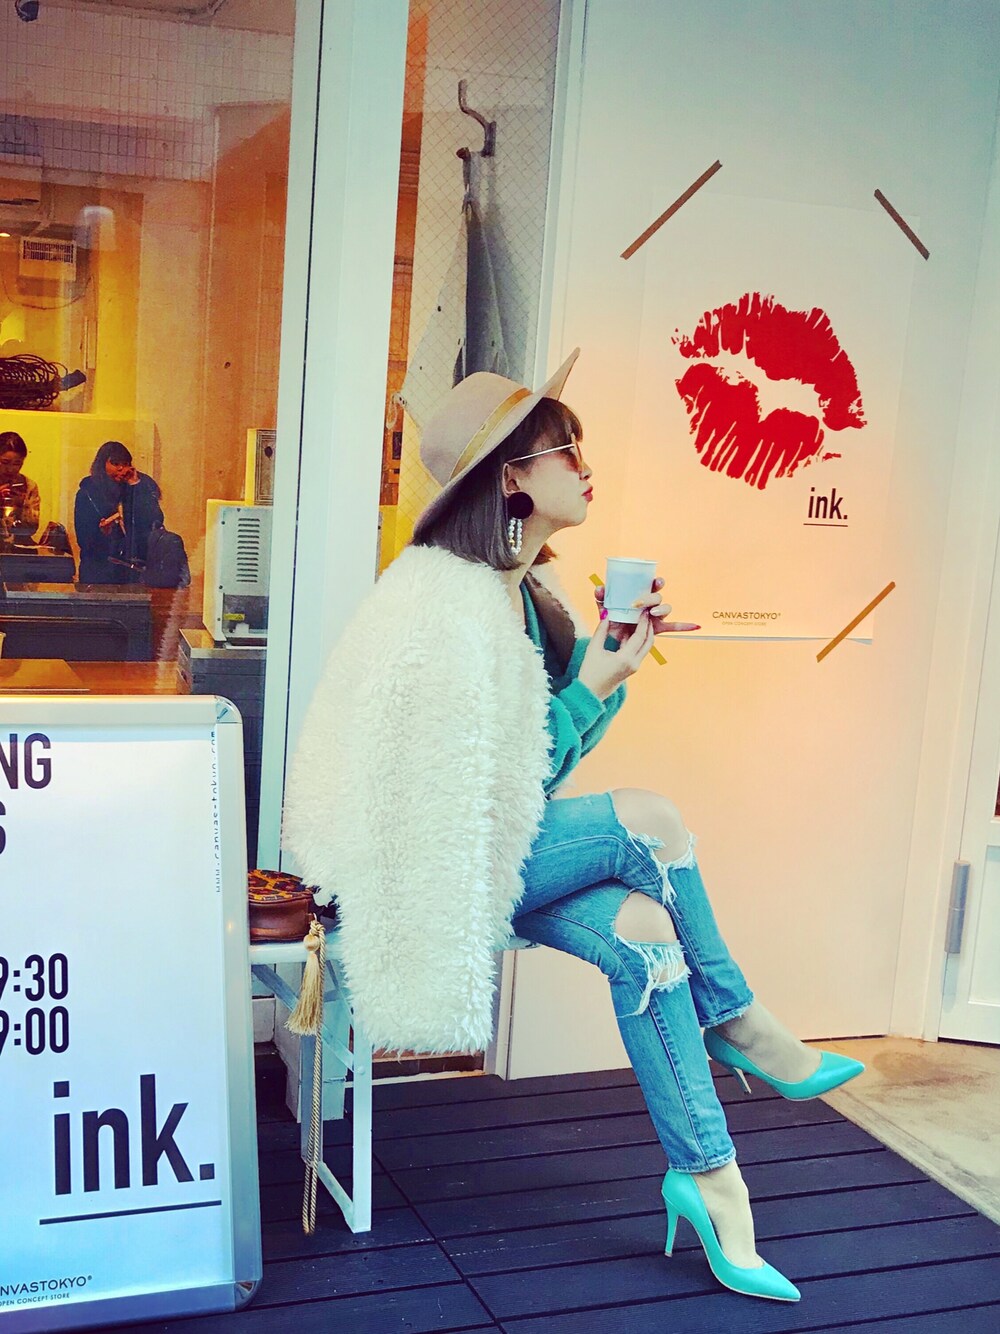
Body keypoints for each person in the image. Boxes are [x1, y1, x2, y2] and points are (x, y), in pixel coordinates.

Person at [283, 349, 864, 1305]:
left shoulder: (514, 594)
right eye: (568, 449)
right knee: (652, 821)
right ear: (512, 477)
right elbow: (480, 794)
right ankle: (739, 1020)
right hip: (423, 866)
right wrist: (595, 680)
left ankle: (711, 1180)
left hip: (486, 849)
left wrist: (604, 664)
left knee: (646, 933)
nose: (587, 467)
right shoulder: (444, 604)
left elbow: (530, 772)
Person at [74, 440, 163, 584]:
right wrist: (103, 533)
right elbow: (83, 539)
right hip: (98, 572)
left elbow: (155, 520)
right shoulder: (88, 493)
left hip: (133, 571)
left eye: (126, 463)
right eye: (115, 463)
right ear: (102, 464)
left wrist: (135, 485)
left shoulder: (136, 486)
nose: (122, 468)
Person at [0, 431, 41, 543]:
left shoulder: (28, 486)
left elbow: (31, 529)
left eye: (16, 463)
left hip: (17, 546)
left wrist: (21, 508)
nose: (10, 469)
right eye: (5, 462)